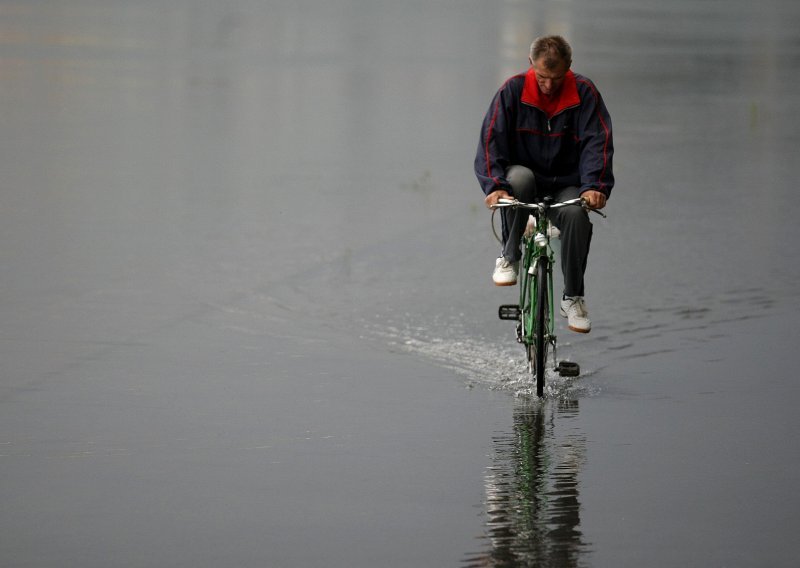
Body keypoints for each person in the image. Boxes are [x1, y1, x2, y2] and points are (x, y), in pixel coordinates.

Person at [474, 35, 614, 333]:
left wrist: (595, 186)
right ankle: (509, 256)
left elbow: (597, 143)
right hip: (524, 182)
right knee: (519, 179)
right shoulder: (512, 91)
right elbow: (491, 140)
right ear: (530, 65)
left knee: (577, 215)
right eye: (541, 77)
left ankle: (573, 296)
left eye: (556, 77)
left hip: (567, 185)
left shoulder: (584, 93)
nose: (548, 85)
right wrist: (494, 186)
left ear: (570, 68)